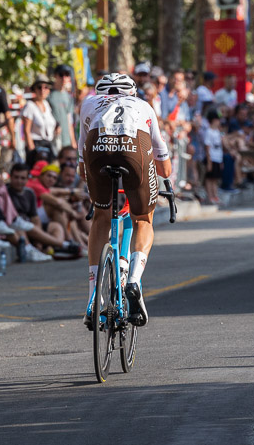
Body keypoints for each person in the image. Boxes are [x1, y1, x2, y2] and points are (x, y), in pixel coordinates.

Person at [78, 73, 171, 327]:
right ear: (132, 93)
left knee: (101, 216)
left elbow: (80, 166)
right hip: (134, 148)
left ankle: (92, 300)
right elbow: (165, 169)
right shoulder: (143, 106)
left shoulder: (88, 104)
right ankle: (133, 278)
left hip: (97, 148)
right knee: (142, 218)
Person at [22, 74, 59, 166]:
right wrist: (31, 149)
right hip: (36, 145)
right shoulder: (30, 106)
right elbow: (26, 130)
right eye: (39, 87)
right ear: (34, 89)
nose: (43, 90)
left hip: (48, 144)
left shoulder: (47, 105)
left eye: (46, 87)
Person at [49, 65, 77, 150]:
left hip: (66, 140)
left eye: (67, 75)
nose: (64, 78)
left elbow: (69, 120)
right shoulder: (48, 95)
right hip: (52, 138)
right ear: (55, 76)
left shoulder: (68, 97)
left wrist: (73, 141)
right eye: (61, 75)